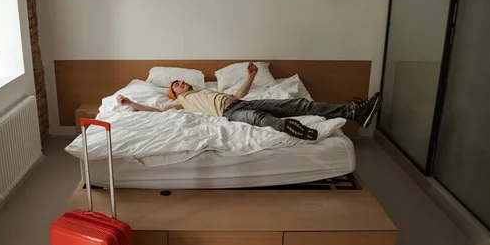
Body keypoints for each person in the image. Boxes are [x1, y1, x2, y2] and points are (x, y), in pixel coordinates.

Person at [117, 63, 381, 140]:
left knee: (301, 105)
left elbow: (239, 95)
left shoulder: (205, 91)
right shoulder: (182, 102)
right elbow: (157, 110)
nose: (180, 83)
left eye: (180, 81)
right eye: (175, 84)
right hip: (229, 114)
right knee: (260, 120)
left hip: (238, 102)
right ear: (174, 93)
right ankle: (289, 129)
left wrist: (251, 76)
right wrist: (131, 103)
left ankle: (355, 111)